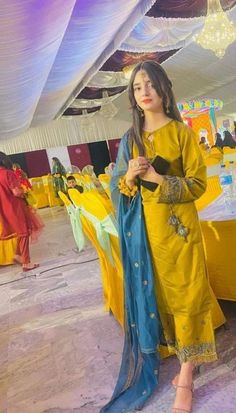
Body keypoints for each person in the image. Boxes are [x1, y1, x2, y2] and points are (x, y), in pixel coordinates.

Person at [101, 61, 218, 413]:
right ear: (133, 98)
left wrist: (154, 178)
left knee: (188, 295)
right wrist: (131, 178)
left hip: (179, 233)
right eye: (138, 88)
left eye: (150, 85)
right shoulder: (130, 140)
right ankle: (183, 359)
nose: (144, 92)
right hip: (145, 238)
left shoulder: (181, 134)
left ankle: (186, 374)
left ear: (164, 90)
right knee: (163, 301)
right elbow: (118, 188)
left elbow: (197, 185)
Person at [0, 152, 42, 271]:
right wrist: (24, 192)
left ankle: (18, 255)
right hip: (15, 207)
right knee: (23, 233)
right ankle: (26, 262)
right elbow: (16, 192)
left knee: (19, 233)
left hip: (3, 209)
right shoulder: (8, 173)